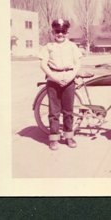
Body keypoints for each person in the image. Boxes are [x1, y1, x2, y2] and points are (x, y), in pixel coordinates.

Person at [39, 19, 82, 150]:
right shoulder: (48, 47)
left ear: (67, 32)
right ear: (53, 32)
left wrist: (70, 77)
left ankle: (69, 136)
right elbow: (43, 64)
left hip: (69, 79)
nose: (60, 34)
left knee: (68, 111)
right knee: (54, 111)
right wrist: (55, 77)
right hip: (53, 80)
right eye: (57, 31)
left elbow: (77, 63)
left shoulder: (72, 46)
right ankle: (54, 138)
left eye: (63, 31)